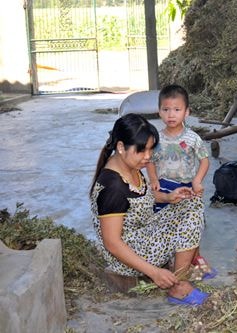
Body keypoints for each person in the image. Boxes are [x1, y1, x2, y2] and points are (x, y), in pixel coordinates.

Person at [89, 113, 208, 306]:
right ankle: (178, 286)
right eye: (142, 150)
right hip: (126, 255)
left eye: (151, 149)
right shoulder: (113, 187)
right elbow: (112, 243)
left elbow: (141, 199)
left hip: (142, 233)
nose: (148, 157)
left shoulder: (128, 164)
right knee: (191, 216)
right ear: (121, 147)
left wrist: (169, 197)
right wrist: (154, 273)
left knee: (193, 203)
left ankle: (180, 272)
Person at [146, 84, 215, 278]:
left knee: (192, 221)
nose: (171, 115)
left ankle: (195, 255)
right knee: (167, 222)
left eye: (177, 110)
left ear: (187, 112)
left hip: (187, 186)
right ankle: (171, 257)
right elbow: (149, 161)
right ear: (159, 111)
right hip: (164, 186)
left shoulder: (192, 138)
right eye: (166, 109)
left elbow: (204, 160)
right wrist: (153, 179)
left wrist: (198, 181)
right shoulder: (156, 138)